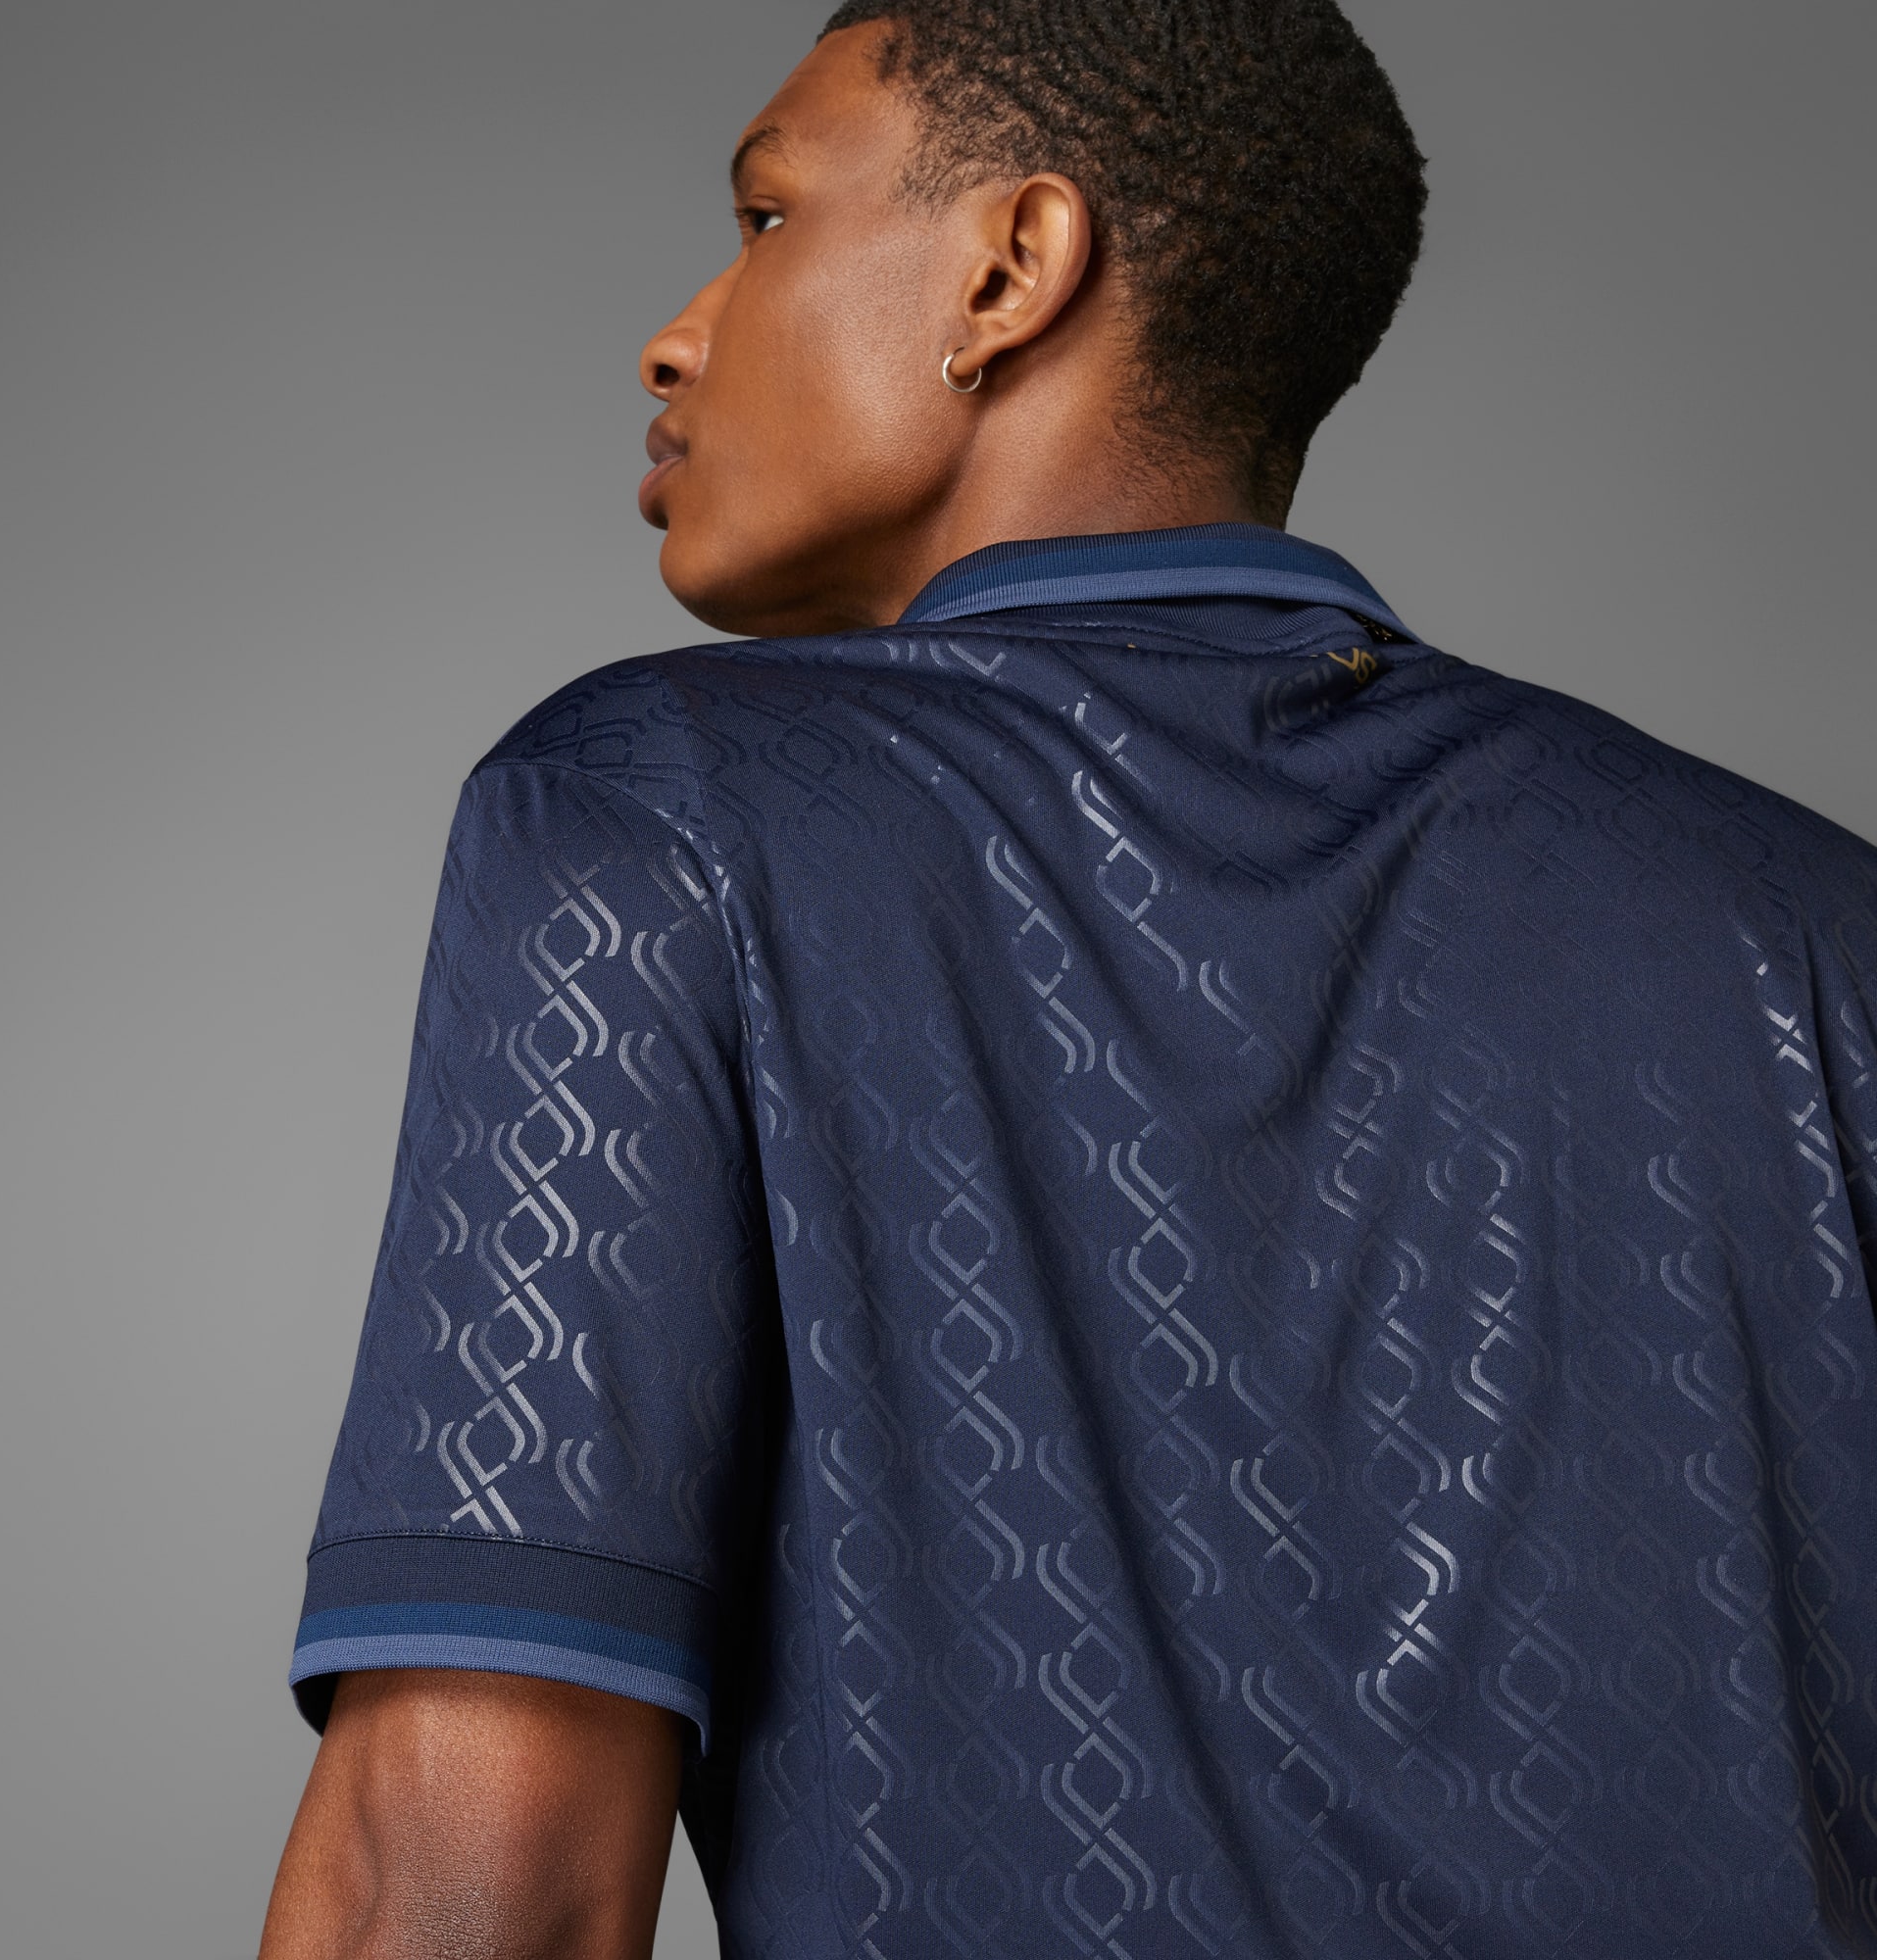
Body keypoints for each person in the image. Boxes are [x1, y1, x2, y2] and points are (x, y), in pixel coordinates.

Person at [259, 3, 1877, 1956]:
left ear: (1008, 270)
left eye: (764, 219)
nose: (677, 336)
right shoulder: (1810, 925)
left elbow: (465, 1890)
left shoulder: (653, 814)